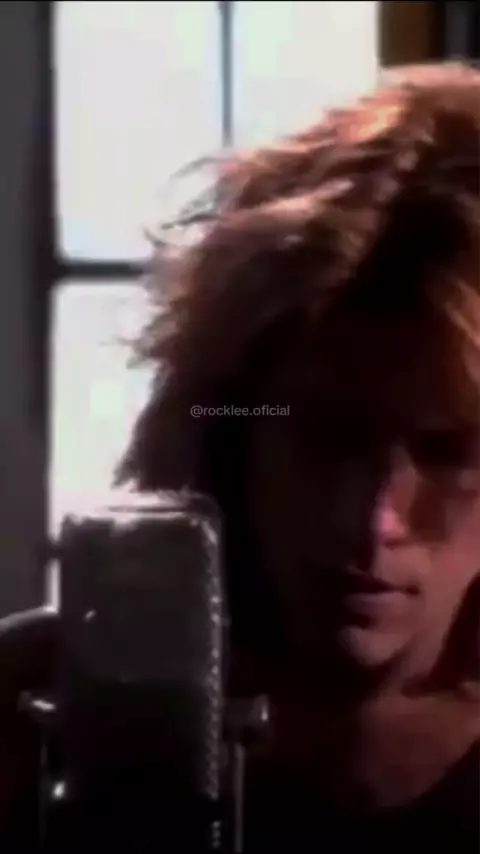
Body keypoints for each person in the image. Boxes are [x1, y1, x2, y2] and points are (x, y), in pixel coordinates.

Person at [0, 61, 479, 850]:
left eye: (446, 452)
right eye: (325, 436)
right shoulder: (36, 715)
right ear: (235, 427)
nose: (373, 519)